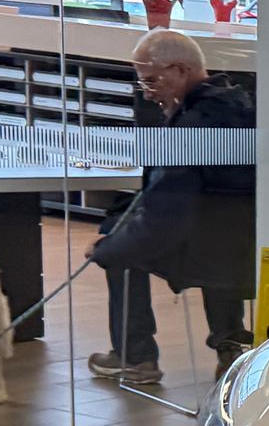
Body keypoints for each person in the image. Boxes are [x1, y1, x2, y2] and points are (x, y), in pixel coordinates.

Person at [87, 29, 258, 385]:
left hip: (199, 244)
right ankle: (230, 343)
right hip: (245, 244)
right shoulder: (243, 104)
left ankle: (135, 357)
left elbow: (164, 218)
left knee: (116, 239)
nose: (147, 91)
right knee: (218, 240)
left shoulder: (190, 127)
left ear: (180, 70)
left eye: (151, 80)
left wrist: (109, 248)